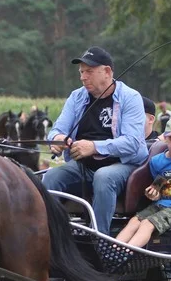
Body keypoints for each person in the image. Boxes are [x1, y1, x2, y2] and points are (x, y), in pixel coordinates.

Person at [45, 46, 149, 233]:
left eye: (89, 72)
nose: (83, 77)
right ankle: (50, 235)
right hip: (84, 166)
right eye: (81, 72)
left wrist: (94, 147)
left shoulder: (131, 98)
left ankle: (100, 240)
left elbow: (132, 142)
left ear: (107, 72)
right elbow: (57, 130)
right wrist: (58, 139)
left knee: (104, 177)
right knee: (51, 177)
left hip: (125, 165)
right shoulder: (77, 97)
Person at [113, 117, 171, 252]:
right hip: (159, 204)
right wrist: (152, 193)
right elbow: (157, 188)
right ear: (166, 138)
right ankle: (113, 250)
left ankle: (126, 252)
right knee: (134, 221)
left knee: (147, 223)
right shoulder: (156, 161)